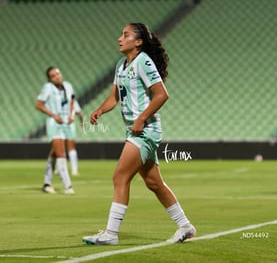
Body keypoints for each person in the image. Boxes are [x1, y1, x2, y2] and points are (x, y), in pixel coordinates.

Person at [82, 23, 196, 245]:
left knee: (120, 177)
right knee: (154, 183)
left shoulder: (143, 61)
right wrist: (100, 110)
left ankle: (111, 234)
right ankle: (186, 226)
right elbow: (114, 98)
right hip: (134, 130)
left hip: (145, 130)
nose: (119, 38)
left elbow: (162, 95)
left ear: (139, 41)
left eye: (126, 35)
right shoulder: (120, 65)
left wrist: (142, 118)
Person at [36, 66, 75, 195]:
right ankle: (68, 186)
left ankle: (46, 184)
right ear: (49, 79)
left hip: (65, 123)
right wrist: (53, 115)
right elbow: (39, 105)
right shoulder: (48, 88)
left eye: (58, 73)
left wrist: (72, 115)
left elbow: (72, 100)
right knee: (61, 153)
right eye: (53, 75)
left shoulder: (68, 86)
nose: (57, 76)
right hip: (54, 123)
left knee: (54, 152)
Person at [47, 99, 84, 178]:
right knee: (69, 147)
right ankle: (73, 170)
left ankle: (56, 169)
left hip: (60, 124)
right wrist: (82, 122)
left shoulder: (56, 99)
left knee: (58, 147)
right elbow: (79, 113)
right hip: (68, 125)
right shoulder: (72, 100)